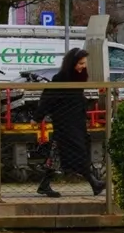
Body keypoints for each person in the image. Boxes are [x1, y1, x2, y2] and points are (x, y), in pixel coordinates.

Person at [36, 47, 102, 198]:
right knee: (78, 151)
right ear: (72, 63)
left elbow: (74, 99)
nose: (83, 66)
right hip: (66, 123)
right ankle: (94, 182)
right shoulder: (61, 78)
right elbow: (48, 98)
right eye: (80, 63)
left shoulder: (75, 77)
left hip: (74, 122)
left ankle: (44, 184)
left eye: (84, 63)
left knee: (58, 153)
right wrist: (38, 116)